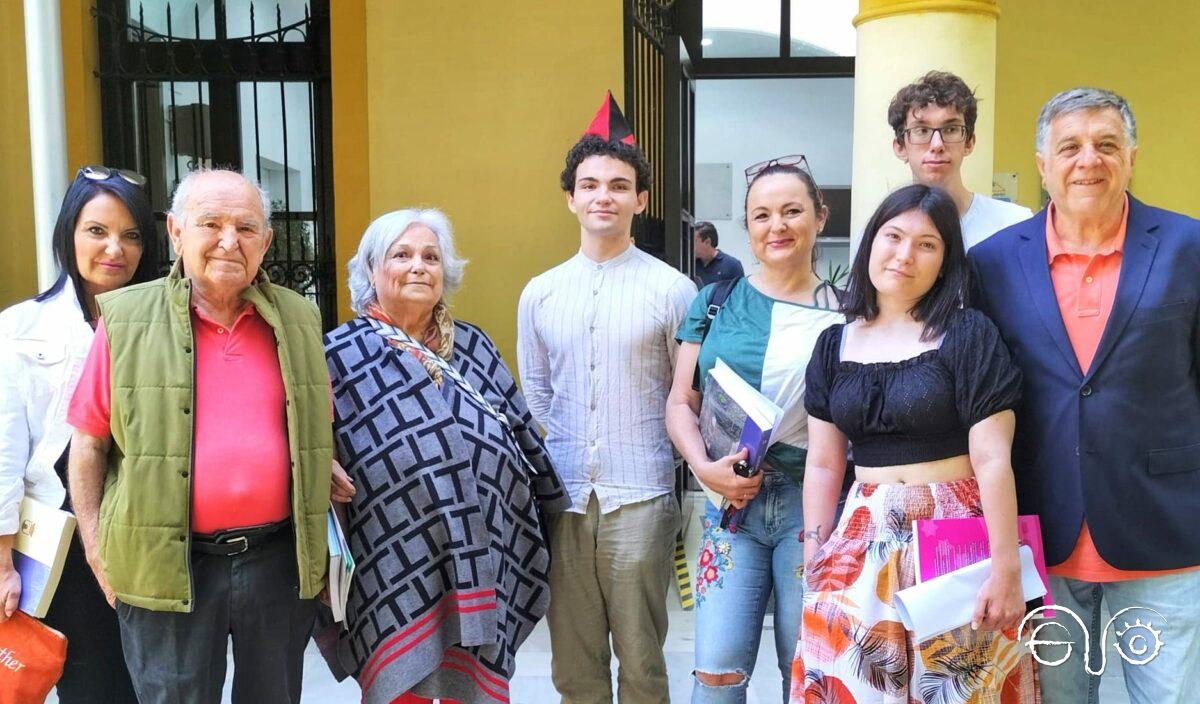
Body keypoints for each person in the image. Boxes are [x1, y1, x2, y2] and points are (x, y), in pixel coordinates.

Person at [66, 169, 333, 704]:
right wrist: (95, 548)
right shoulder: (125, 320)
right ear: (175, 231)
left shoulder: (300, 318)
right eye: (210, 223)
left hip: (275, 560)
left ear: (267, 242)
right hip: (166, 564)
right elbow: (89, 443)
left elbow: (313, 422)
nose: (229, 241)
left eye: (246, 227)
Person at [969, 87, 1200, 704]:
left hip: (1166, 538)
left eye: (1106, 145)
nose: (1087, 161)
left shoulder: (1190, 248)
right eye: (1069, 147)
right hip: (1042, 540)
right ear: (1042, 164)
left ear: (1132, 156)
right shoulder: (989, 265)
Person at [791, 184, 1038, 703]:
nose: (905, 255)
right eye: (894, 236)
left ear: (946, 261)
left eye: (927, 244)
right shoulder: (834, 344)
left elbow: (993, 458)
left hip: (955, 535)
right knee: (852, 685)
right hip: (861, 538)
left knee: (963, 691)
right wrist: (817, 549)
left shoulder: (968, 334)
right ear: (870, 243)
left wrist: (1005, 568)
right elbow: (823, 461)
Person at [322, 208, 567, 704]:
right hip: (389, 557)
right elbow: (312, 441)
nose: (419, 266)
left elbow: (520, 432)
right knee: (402, 686)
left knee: (469, 685)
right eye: (402, 255)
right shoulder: (339, 353)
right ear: (372, 271)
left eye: (431, 257)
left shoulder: (475, 346)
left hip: (485, 549)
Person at [517, 91, 697, 703]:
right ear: (570, 197)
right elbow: (535, 391)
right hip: (563, 496)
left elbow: (687, 393)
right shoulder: (540, 293)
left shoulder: (672, 290)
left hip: (641, 495)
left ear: (640, 200)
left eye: (619, 186)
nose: (603, 197)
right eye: (590, 185)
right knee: (574, 657)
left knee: (642, 657)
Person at [666, 157, 842, 701]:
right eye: (762, 215)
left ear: (820, 217)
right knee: (715, 672)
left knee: (809, 672)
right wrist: (702, 468)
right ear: (747, 226)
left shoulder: (849, 313)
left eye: (792, 211)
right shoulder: (715, 302)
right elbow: (679, 401)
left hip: (813, 510)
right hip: (728, 505)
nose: (777, 226)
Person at [0, 166, 158, 702]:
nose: (115, 248)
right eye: (97, 230)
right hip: (62, 540)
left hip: (148, 534)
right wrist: (2, 562)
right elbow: (4, 454)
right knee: (95, 686)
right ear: (69, 233)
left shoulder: (166, 328)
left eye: (131, 235)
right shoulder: (22, 328)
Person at [889, 71, 1031, 250]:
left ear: (969, 142)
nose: (937, 144)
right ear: (900, 146)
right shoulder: (884, 235)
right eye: (922, 130)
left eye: (950, 129)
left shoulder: (1014, 225)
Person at [694, 221, 745, 286]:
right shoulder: (692, 265)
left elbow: (741, 292)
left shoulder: (732, 265)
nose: (690, 245)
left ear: (707, 242)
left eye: (694, 241)